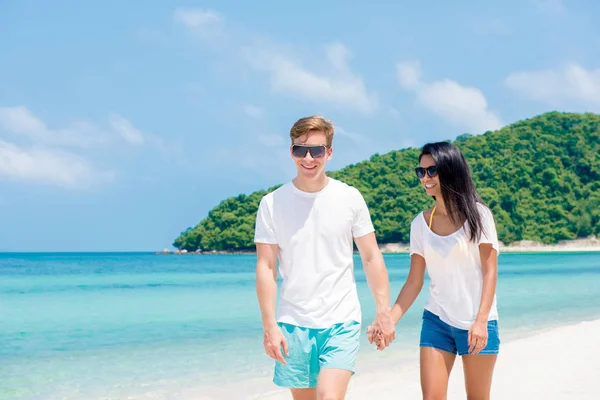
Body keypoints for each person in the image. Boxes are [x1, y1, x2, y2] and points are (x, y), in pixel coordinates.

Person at [254, 115, 395, 400]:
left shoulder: (350, 197)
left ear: (329, 153)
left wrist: (384, 312)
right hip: (293, 322)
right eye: (300, 150)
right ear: (291, 151)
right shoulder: (271, 203)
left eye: (316, 150)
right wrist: (270, 326)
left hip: (341, 319)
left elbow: (370, 257)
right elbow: (266, 267)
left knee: (329, 397)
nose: (308, 158)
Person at [369, 141, 500, 399]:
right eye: (421, 172)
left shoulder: (480, 216)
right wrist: (388, 321)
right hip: (437, 321)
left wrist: (481, 321)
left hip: (476, 323)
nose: (425, 178)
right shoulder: (420, 224)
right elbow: (414, 282)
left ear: (451, 170)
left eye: (432, 171)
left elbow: (490, 271)